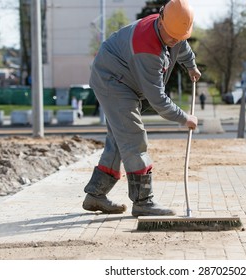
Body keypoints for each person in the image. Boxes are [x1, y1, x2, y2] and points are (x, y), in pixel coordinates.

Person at [82, 0, 201, 217]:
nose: (175, 41)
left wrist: (191, 66)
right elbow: (157, 99)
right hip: (113, 80)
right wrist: (185, 118)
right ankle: (143, 202)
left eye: (180, 37)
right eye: (172, 36)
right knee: (134, 137)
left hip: (124, 79)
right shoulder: (146, 48)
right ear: (161, 19)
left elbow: (181, 45)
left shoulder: (173, 30)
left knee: (120, 138)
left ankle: (95, 195)